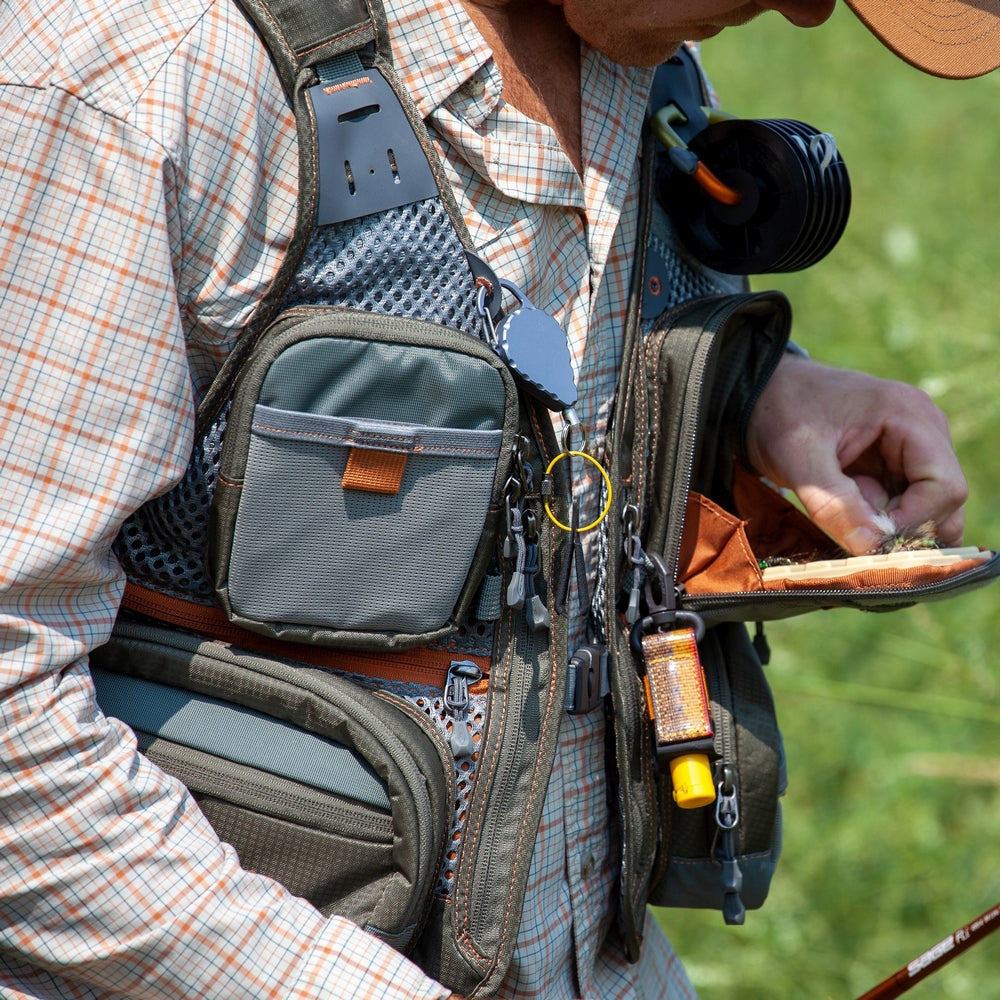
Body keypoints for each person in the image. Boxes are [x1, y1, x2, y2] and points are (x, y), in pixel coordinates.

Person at [0, 0, 994, 997]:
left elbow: (547, 379)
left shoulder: (650, 69)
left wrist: (762, 389)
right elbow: (15, 729)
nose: (809, 10)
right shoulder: (148, 73)